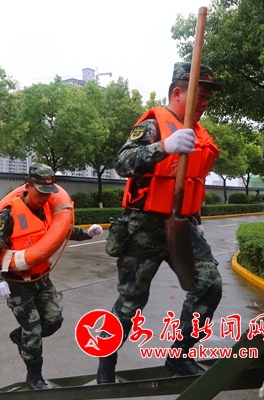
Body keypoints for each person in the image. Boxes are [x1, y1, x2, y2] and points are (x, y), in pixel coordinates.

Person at [97, 62, 224, 383]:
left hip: (181, 226)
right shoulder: (155, 125)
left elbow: (190, 183)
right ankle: (106, 365)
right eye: (200, 95)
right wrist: (164, 146)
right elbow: (122, 163)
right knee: (131, 303)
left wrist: (196, 219)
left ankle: (180, 354)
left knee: (209, 283)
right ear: (178, 93)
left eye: (208, 97)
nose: (205, 102)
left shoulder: (198, 134)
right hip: (143, 227)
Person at [0, 163, 104, 390]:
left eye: (48, 193)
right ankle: (34, 375)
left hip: (42, 278)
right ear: (28, 186)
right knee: (34, 330)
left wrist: (87, 233)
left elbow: (62, 232)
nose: (45, 197)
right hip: (18, 283)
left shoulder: (48, 207)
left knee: (54, 320)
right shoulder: (8, 214)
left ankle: (21, 336)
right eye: (40, 192)